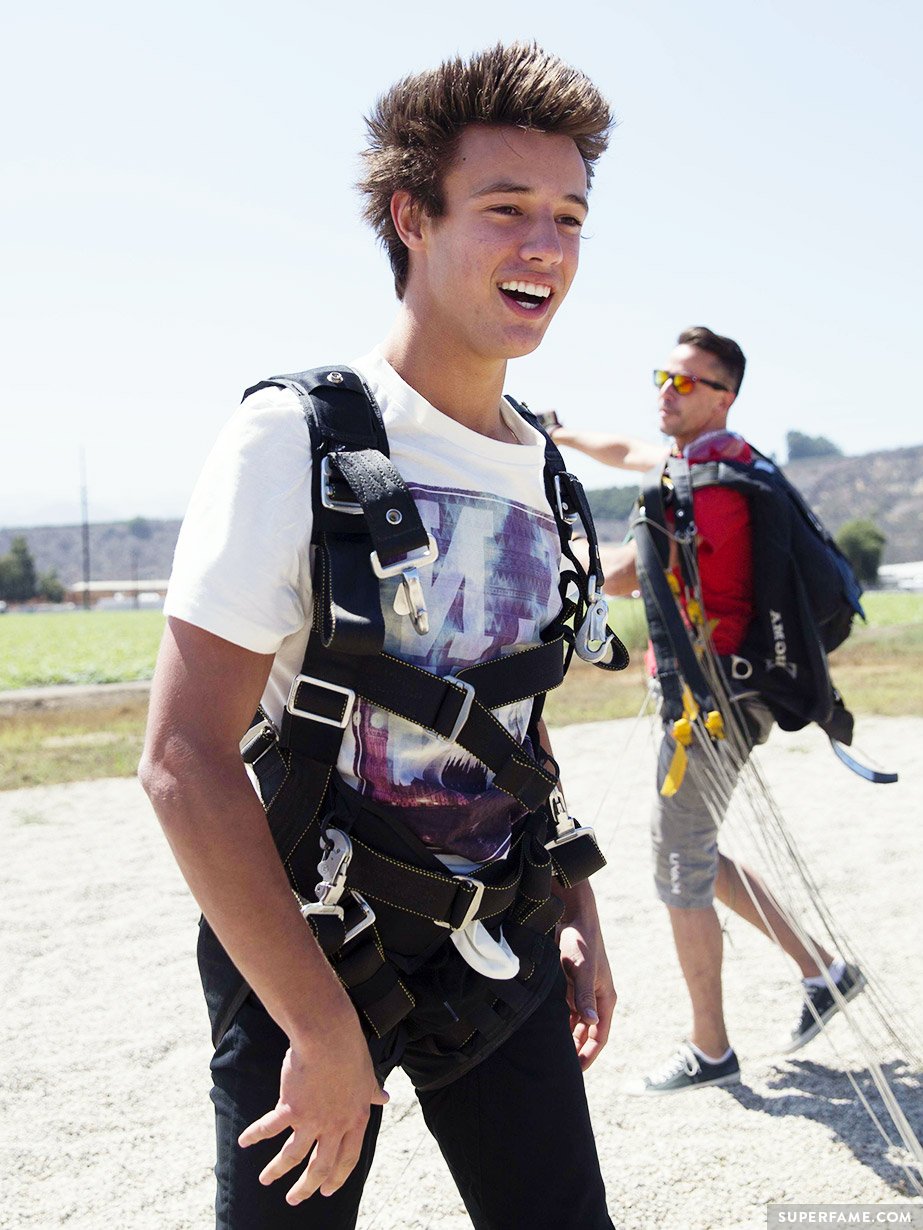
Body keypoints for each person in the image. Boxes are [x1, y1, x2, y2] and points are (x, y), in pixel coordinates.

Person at [140, 43, 620, 1228]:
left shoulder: (545, 473)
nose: (544, 248)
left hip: (497, 945)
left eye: (568, 215)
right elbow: (182, 758)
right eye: (504, 210)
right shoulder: (296, 437)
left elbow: (515, 718)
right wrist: (314, 1025)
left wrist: (574, 910)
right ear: (411, 216)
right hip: (306, 952)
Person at [547, 326, 864, 1095]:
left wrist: (555, 555)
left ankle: (711, 1047)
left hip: (711, 704)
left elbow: (628, 572)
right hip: (724, 696)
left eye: (686, 382)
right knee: (695, 850)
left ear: (723, 397)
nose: (666, 388)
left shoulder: (706, 482)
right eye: (663, 374)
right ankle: (823, 970)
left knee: (678, 864)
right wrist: (557, 436)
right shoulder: (716, 461)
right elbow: (626, 451)